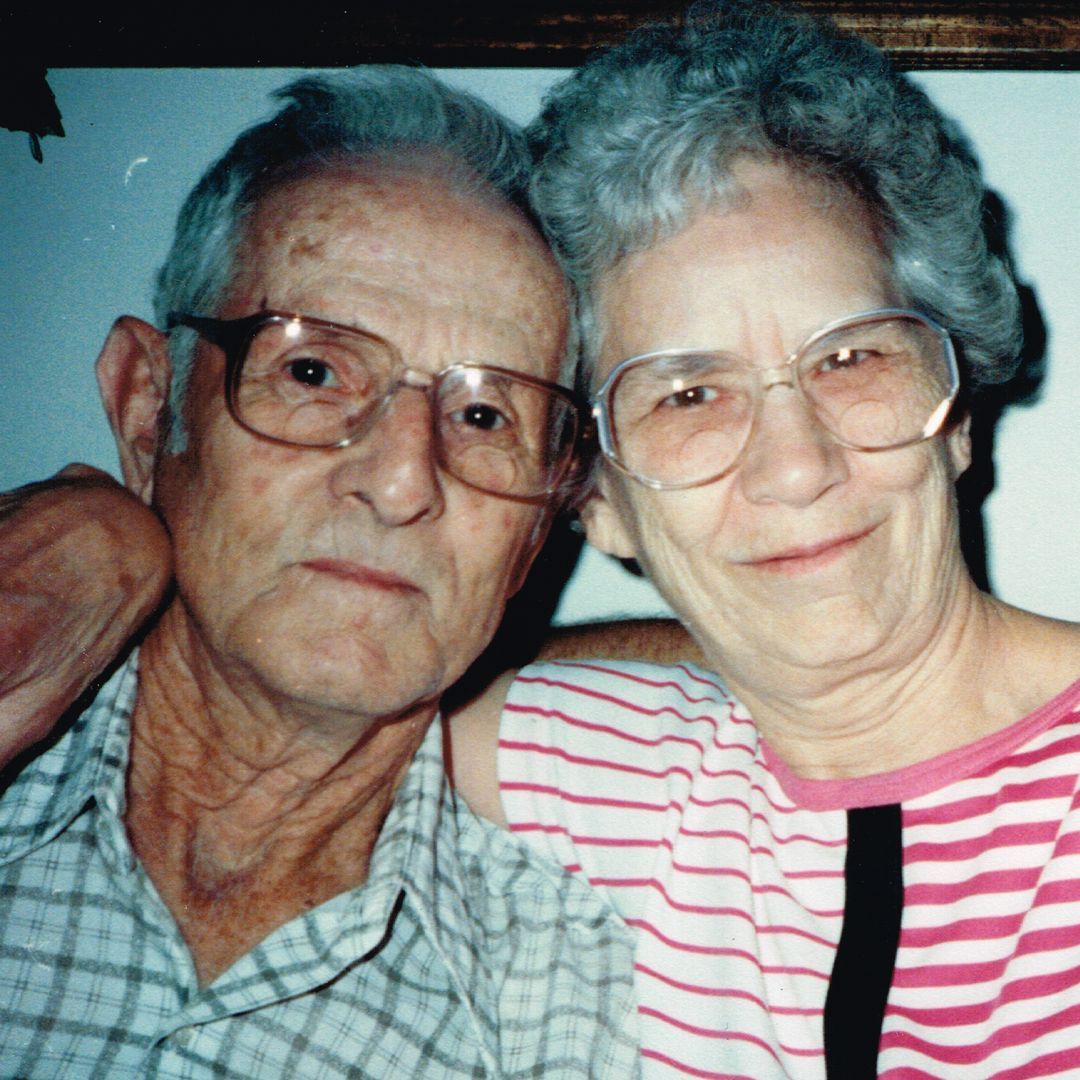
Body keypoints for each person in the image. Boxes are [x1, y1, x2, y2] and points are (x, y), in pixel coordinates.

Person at [450, 3, 1080, 1077]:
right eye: (689, 393)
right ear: (596, 498)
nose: (796, 466)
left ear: (959, 407)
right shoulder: (579, 769)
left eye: (853, 359)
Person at [0, 68, 640, 1077]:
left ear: (544, 521)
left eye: (485, 417)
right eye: (313, 370)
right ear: (145, 409)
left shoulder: (587, 1001)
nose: (400, 482)